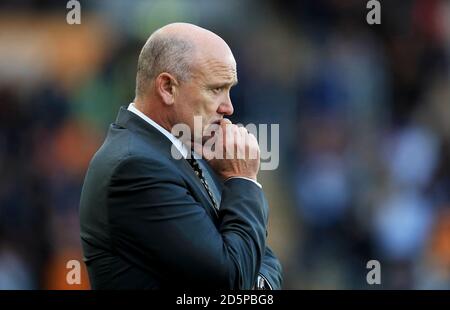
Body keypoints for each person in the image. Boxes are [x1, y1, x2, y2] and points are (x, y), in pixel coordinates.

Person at [79, 22, 282, 289]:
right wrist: (243, 180)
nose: (229, 107)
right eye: (215, 89)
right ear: (167, 88)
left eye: (229, 89)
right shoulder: (135, 167)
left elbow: (263, 259)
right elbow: (231, 280)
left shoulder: (185, 150)